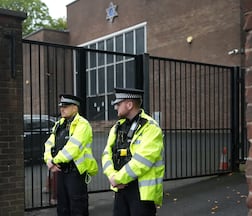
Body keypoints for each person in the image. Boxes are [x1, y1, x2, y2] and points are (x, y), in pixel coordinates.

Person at [101, 87, 165, 216]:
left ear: (129, 105)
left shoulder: (150, 127)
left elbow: (143, 160)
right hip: (120, 189)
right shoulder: (117, 127)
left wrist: (117, 178)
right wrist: (112, 176)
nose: (115, 107)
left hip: (141, 192)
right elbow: (106, 154)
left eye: (118, 104)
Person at [44, 94, 98, 216]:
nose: (62, 109)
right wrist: (48, 159)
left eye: (66, 106)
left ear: (75, 108)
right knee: (62, 207)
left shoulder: (82, 124)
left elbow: (72, 148)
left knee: (77, 207)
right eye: (61, 106)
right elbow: (49, 143)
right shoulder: (59, 124)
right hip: (60, 171)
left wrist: (53, 162)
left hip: (76, 172)